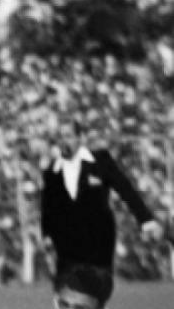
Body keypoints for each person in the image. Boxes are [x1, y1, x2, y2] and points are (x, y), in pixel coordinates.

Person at [39, 118, 163, 276]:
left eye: (68, 136)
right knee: (70, 291)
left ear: (81, 138)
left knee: (90, 289)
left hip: (97, 238)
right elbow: (48, 206)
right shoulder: (52, 170)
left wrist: (145, 219)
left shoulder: (100, 161)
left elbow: (125, 189)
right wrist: (46, 234)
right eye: (61, 137)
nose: (64, 141)